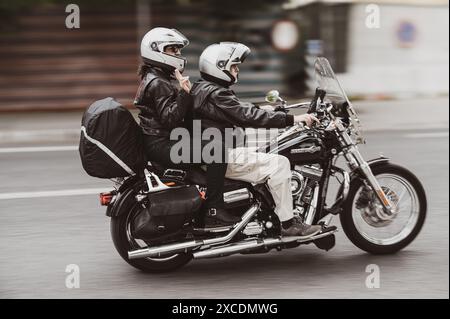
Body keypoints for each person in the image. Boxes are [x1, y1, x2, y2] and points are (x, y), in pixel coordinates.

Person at [190, 42, 323, 237]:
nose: (237, 71)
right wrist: (293, 118)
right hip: (221, 155)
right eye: (233, 67)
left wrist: (265, 109)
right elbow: (244, 115)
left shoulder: (206, 88)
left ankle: (265, 208)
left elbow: (236, 109)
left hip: (213, 151)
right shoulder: (217, 93)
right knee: (280, 164)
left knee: (265, 153)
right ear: (219, 67)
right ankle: (287, 223)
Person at [134, 28, 239, 228]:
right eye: (173, 50)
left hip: (159, 141)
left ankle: (204, 193)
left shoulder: (156, 77)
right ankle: (215, 209)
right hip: (162, 144)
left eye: (177, 51)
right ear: (157, 51)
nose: (178, 55)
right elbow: (170, 119)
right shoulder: (158, 82)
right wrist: (184, 93)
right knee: (216, 150)